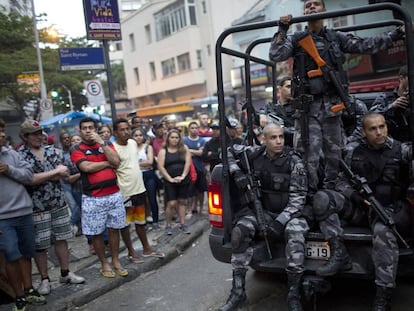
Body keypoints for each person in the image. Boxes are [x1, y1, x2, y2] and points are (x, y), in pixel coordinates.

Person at [269, 0, 407, 195]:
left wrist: (395, 34)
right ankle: (309, 197)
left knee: (336, 156)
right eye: (308, 5)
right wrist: (282, 30)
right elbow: (275, 54)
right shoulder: (296, 39)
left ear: (324, 10)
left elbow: (366, 45)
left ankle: (332, 197)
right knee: (307, 158)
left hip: (332, 108)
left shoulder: (336, 38)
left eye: (316, 4)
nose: (311, 8)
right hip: (307, 111)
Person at [313, 112, 412, 310]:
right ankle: (338, 252)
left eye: (382, 127)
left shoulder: (401, 151)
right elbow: (340, 182)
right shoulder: (353, 152)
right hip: (360, 209)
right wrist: (356, 197)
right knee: (323, 199)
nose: (379, 132)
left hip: (387, 209)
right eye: (373, 129)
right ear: (364, 132)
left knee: (383, 233)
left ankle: (383, 294)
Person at [218, 123, 308, 311]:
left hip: (289, 214)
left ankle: (294, 293)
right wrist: (237, 172)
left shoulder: (294, 162)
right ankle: (238, 292)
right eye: (273, 138)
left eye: (281, 137)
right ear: (264, 140)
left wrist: (280, 222)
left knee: (295, 233)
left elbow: (299, 199)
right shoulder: (254, 154)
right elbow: (226, 151)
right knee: (239, 233)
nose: (279, 141)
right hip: (261, 212)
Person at [18, 119, 85, 295]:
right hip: (36, 206)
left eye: (40, 133)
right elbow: (29, 179)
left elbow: (63, 174)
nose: (39, 136)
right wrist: (53, 173)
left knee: (62, 238)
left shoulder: (51, 150)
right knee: (40, 245)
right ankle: (44, 279)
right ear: (25, 137)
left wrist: (45, 175)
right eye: (35, 134)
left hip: (58, 201)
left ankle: (65, 272)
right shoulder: (20, 155)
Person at [70, 117, 128, 278]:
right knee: (96, 233)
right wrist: (106, 163)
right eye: (84, 128)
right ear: (80, 131)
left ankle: (116, 260)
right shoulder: (76, 148)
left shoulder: (107, 144)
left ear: (95, 130)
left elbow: (116, 162)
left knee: (115, 229)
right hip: (93, 197)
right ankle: (104, 263)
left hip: (114, 194)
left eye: (91, 128)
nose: (88, 131)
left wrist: (102, 143)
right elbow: (86, 167)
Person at [0, 118, 46, 310]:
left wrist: (9, 170)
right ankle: (17, 295)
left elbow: (29, 176)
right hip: (2, 218)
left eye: (2, 130)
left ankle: (29, 290)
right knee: (11, 255)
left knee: (27, 252)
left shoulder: (11, 155)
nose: (2, 134)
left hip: (24, 212)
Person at [112, 119, 165, 262]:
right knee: (126, 225)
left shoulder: (133, 143)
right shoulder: (113, 148)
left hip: (139, 188)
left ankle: (146, 248)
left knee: (141, 221)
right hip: (125, 191)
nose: (125, 132)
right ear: (115, 132)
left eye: (127, 129)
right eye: (121, 130)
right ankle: (131, 252)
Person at [157, 129, 192, 235]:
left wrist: (183, 176)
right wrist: (170, 179)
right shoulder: (163, 150)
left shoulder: (184, 148)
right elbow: (160, 166)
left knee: (181, 201)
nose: (174, 140)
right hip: (169, 180)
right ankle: (168, 224)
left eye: (176, 137)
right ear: (168, 138)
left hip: (183, 179)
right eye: (172, 137)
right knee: (171, 203)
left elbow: (188, 163)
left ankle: (182, 223)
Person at [370, 65, 410, 142]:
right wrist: (392, 106)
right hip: (392, 144)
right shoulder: (385, 97)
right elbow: (371, 117)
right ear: (401, 78)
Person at [132, 127, 160, 229]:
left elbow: (150, 162)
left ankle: (155, 220)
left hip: (148, 175)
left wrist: (135, 164)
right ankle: (142, 220)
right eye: (136, 135)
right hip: (137, 176)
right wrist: (140, 164)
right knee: (140, 200)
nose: (138, 138)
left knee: (152, 198)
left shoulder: (148, 147)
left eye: (140, 135)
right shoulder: (131, 148)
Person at [259, 76, 295, 146]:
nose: (291, 90)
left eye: (293, 87)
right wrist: (262, 115)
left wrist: (280, 129)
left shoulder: (297, 108)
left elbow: (298, 131)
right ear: (280, 89)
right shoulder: (271, 107)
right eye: (288, 86)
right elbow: (262, 111)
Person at [59, 132, 82, 235]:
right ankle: (74, 224)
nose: (67, 140)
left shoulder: (86, 153)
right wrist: (81, 174)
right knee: (76, 206)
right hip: (71, 187)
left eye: (69, 138)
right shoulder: (64, 157)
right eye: (73, 140)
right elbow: (66, 178)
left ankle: (75, 224)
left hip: (86, 187)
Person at [183, 121, 208, 215]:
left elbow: (201, 153)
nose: (194, 130)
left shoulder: (202, 140)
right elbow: (184, 152)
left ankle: (201, 208)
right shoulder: (184, 140)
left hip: (200, 168)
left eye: (195, 128)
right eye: (192, 128)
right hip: (188, 168)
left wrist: (189, 151)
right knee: (190, 191)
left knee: (201, 190)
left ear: (198, 129)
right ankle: (190, 209)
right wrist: (195, 152)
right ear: (189, 129)